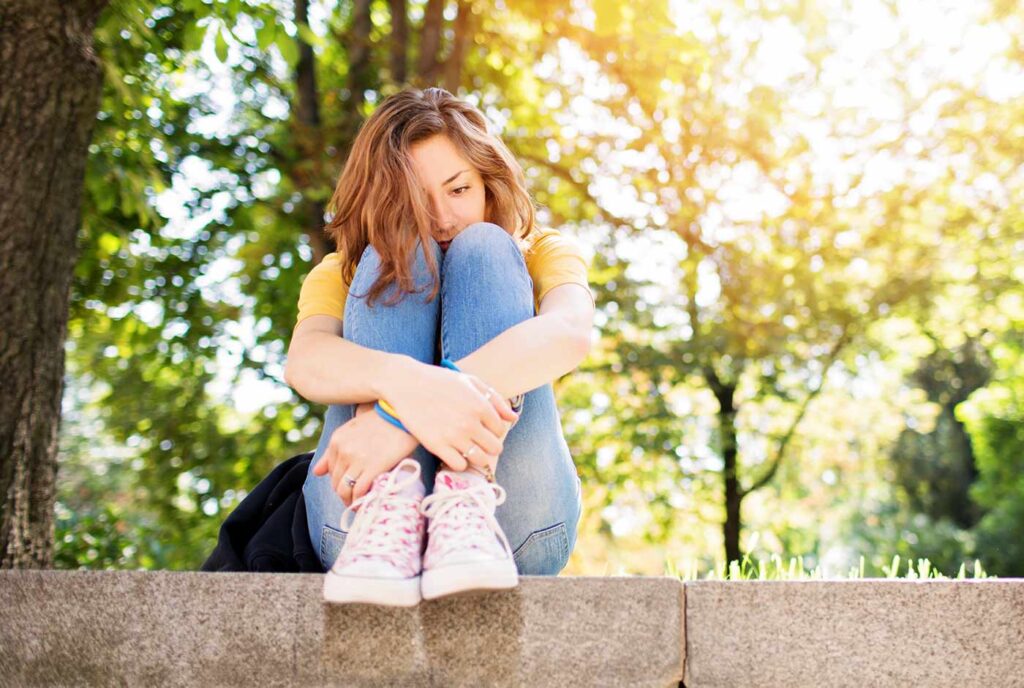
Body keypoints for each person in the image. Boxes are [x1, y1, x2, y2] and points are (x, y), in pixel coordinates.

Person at [284, 86, 595, 606]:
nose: (443, 218)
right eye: (414, 199)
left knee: (487, 247)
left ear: (488, 183)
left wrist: (396, 421)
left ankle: (468, 492)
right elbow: (306, 361)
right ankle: (391, 502)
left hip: (518, 521)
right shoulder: (341, 271)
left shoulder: (541, 250)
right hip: (359, 528)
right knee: (396, 254)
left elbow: (569, 333)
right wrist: (407, 386)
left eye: (458, 190)